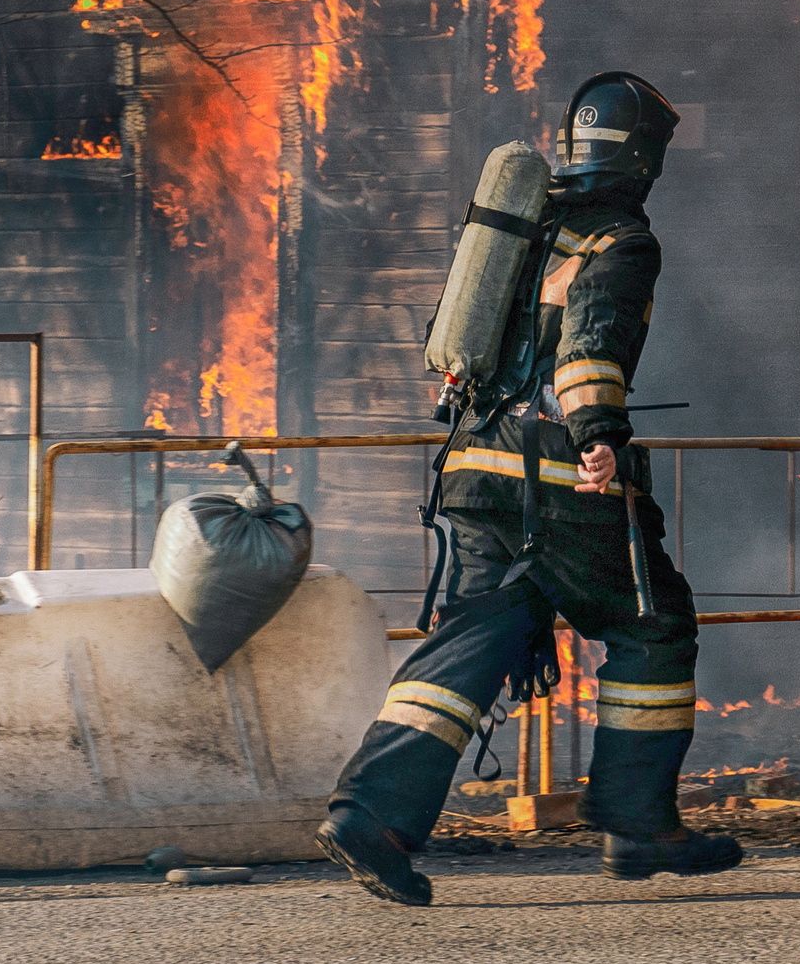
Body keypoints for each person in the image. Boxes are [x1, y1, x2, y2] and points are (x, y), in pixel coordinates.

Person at [316, 71, 741, 905]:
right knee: (653, 620)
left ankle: (374, 813)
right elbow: (590, 345)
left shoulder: (529, 225)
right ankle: (637, 819)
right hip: (551, 479)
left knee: (471, 643)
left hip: (474, 465)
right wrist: (599, 436)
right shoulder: (621, 241)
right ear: (645, 158)